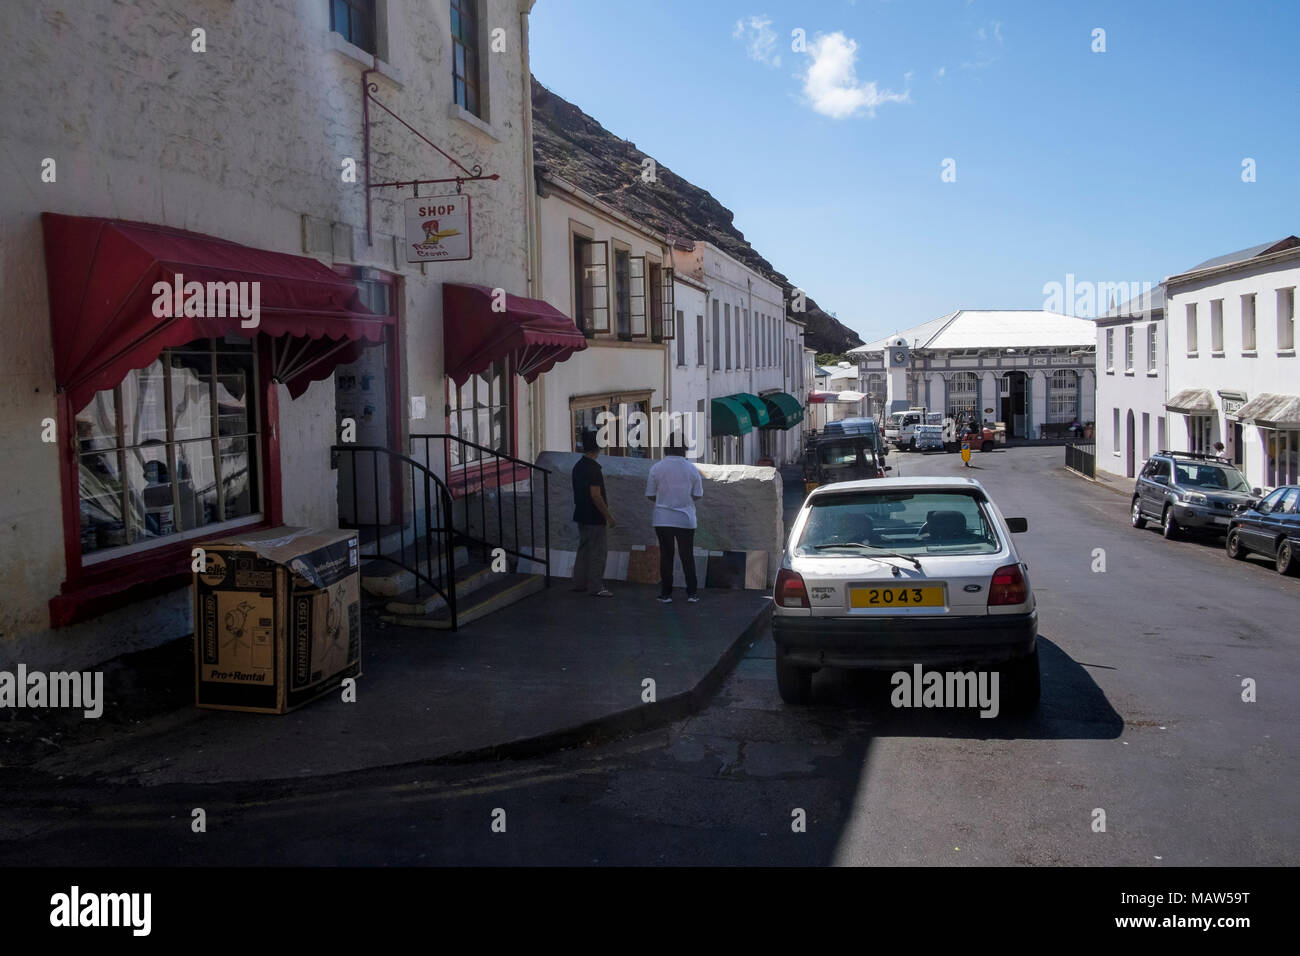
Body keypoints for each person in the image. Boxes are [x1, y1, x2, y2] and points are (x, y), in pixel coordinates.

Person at [645, 432, 703, 604]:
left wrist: (664, 500)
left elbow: (650, 494)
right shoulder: (692, 469)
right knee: (687, 555)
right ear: (684, 448)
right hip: (685, 518)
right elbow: (698, 495)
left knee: (666, 555)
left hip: (662, 519)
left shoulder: (656, 468)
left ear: (666, 447)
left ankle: (666, 593)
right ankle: (692, 593)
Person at [571, 429, 614, 596]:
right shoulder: (594, 469)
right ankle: (596, 586)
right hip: (594, 517)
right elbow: (596, 495)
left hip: (580, 513)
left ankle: (579, 583)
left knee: (583, 550)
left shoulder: (578, 466)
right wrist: (608, 516)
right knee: (598, 552)